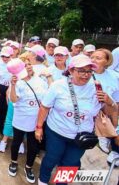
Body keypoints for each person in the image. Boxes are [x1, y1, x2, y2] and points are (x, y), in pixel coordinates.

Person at [35, 55, 118, 184]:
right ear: (71, 70)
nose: (86, 75)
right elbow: (44, 107)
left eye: (89, 71)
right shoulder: (58, 86)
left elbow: (107, 112)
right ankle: (43, 180)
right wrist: (39, 128)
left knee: (70, 163)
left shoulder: (97, 87)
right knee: (51, 158)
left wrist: (108, 102)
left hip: (81, 136)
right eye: (81, 71)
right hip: (57, 132)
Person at [7, 58, 48, 183]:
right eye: (24, 65)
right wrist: (13, 85)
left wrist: (50, 77)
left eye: (29, 64)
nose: (28, 67)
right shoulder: (17, 82)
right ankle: (14, 163)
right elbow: (13, 100)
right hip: (20, 119)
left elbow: (48, 98)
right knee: (16, 143)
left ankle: (28, 167)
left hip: (36, 121)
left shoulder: (41, 81)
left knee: (33, 147)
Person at [90, 49, 119, 154]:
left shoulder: (114, 76)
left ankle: (107, 136)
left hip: (107, 113)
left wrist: (115, 124)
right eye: (92, 57)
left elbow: (116, 100)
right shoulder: (84, 73)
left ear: (107, 61)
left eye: (98, 58)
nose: (93, 60)